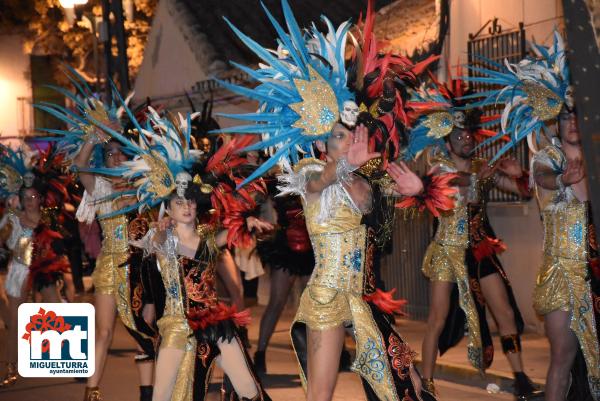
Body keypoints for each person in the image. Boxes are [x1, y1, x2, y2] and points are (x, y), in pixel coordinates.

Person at [463, 30, 599, 401]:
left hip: (595, 271)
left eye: (579, 115)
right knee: (562, 356)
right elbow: (542, 179)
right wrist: (563, 177)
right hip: (561, 275)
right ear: (556, 120)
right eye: (566, 115)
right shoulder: (547, 157)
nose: (573, 122)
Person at [38, 77, 159, 401]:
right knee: (103, 332)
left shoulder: (143, 189)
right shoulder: (101, 190)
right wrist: (94, 137)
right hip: (108, 268)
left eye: (120, 154)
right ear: (103, 161)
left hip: (140, 270)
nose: (116, 159)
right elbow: (79, 165)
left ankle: (147, 395)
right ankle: (92, 393)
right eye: (110, 155)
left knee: (143, 337)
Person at [0, 146, 72, 387]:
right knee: (16, 319)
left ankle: (72, 359)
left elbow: (57, 242)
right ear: (20, 198)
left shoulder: (47, 218)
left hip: (45, 269)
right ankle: (11, 367)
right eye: (26, 197)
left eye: (34, 197)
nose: (30, 201)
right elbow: (4, 238)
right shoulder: (12, 217)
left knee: (57, 313)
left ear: (40, 198)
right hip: (19, 269)